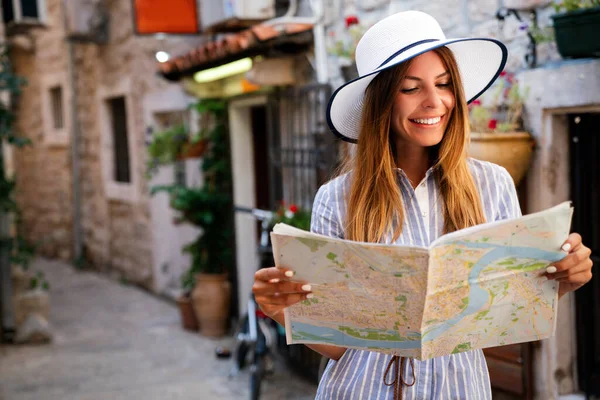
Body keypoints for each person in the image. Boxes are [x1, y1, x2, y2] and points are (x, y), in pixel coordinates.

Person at [252, 10, 594, 399]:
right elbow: (339, 345)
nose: (435, 102)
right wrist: (283, 310)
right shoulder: (336, 197)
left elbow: (500, 325)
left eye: (445, 84)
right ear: (380, 101)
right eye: (411, 88)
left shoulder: (493, 184)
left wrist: (559, 280)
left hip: (459, 389)